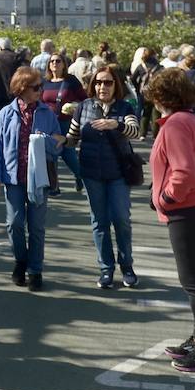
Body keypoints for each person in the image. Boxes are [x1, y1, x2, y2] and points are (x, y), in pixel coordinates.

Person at [143, 67, 195, 373]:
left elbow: (184, 171)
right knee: (194, 281)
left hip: (187, 210)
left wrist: (165, 198)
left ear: (163, 97)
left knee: (193, 284)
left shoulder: (176, 124)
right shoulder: (192, 119)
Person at [0, 66, 63, 292]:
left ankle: (35, 270)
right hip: (13, 178)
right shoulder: (5, 115)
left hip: (38, 178)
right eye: (36, 87)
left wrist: (44, 140)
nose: (41, 91)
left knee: (37, 227)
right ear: (21, 89)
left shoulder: (47, 114)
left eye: (41, 86)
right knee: (15, 224)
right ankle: (21, 260)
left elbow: (59, 144)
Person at [70, 65, 141, 289]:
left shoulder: (124, 107)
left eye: (108, 82)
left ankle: (127, 266)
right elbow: (72, 138)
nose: (103, 86)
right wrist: (57, 137)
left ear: (115, 86)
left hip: (118, 173)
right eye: (99, 82)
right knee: (99, 222)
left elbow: (135, 131)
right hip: (91, 174)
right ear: (93, 86)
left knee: (121, 219)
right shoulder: (83, 108)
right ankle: (106, 269)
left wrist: (116, 124)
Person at [41, 52, 86, 193]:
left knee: (68, 154)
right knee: (50, 154)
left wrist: (74, 106)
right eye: (52, 61)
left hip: (65, 123)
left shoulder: (70, 81)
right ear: (49, 65)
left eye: (58, 61)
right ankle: (54, 186)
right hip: (48, 124)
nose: (55, 63)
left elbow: (84, 100)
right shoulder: (44, 82)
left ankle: (80, 176)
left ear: (63, 64)